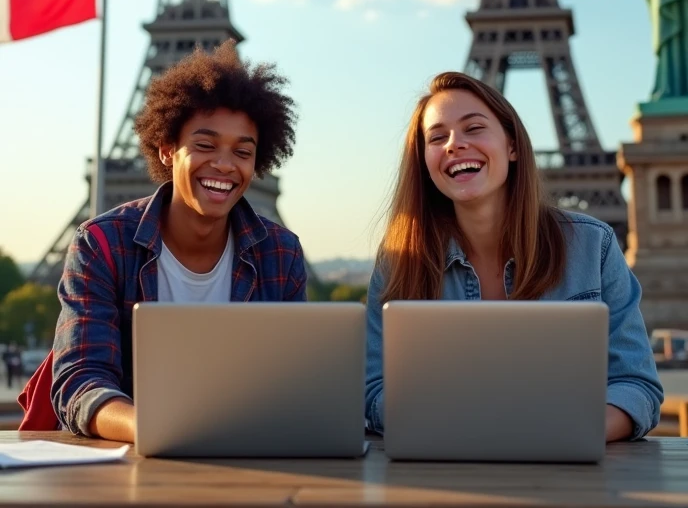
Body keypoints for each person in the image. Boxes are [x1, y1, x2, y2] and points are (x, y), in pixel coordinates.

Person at [365, 72, 663, 442]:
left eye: (473, 128)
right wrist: (465, 426)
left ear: (512, 146)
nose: (454, 144)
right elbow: (374, 391)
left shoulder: (593, 246)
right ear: (425, 162)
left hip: (567, 473)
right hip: (442, 471)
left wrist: (562, 434)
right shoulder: (399, 261)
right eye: (437, 137)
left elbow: (636, 386)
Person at [52, 41, 306, 443]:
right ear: (168, 150)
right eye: (205, 145)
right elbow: (80, 380)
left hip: (251, 460)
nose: (224, 164)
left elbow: (295, 382)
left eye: (242, 151)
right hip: (134, 463)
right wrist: (158, 428)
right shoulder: (100, 244)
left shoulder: (281, 253)